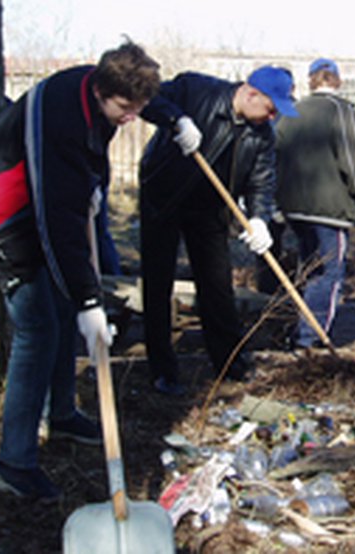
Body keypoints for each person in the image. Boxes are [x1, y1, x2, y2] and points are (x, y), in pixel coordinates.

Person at [0, 40, 201, 501]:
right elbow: (59, 223)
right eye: (124, 109)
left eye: (138, 108)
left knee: (57, 315)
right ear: (100, 92)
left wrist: (175, 119)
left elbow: (143, 102)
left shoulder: (102, 88)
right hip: (6, 215)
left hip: (44, 207)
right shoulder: (61, 118)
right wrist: (90, 300)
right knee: (36, 329)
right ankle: (13, 462)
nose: (132, 117)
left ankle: (62, 413)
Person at [138, 66, 297, 394]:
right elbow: (148, 99)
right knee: (157, 284)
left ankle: (230, 363)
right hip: (163, 197)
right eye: (270, 108)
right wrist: (176, 120)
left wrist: (258, 218)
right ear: (251, 94)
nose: (271, 118)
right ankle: (162, 369)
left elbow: (262, 182)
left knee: (217, 286)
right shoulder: (195, 90)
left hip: (209, 209)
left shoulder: (263, 135)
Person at [275, 57, 355, 349]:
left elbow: (276, 157)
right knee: (329, 272)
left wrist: (277, 201)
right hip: (330, 210)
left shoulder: (292, 111)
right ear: (337, 80)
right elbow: (352, 160)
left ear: (311, 80)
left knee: (307, 269)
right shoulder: (341, 111)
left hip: (294, 208)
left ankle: (295, 330)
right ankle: (311, 338)